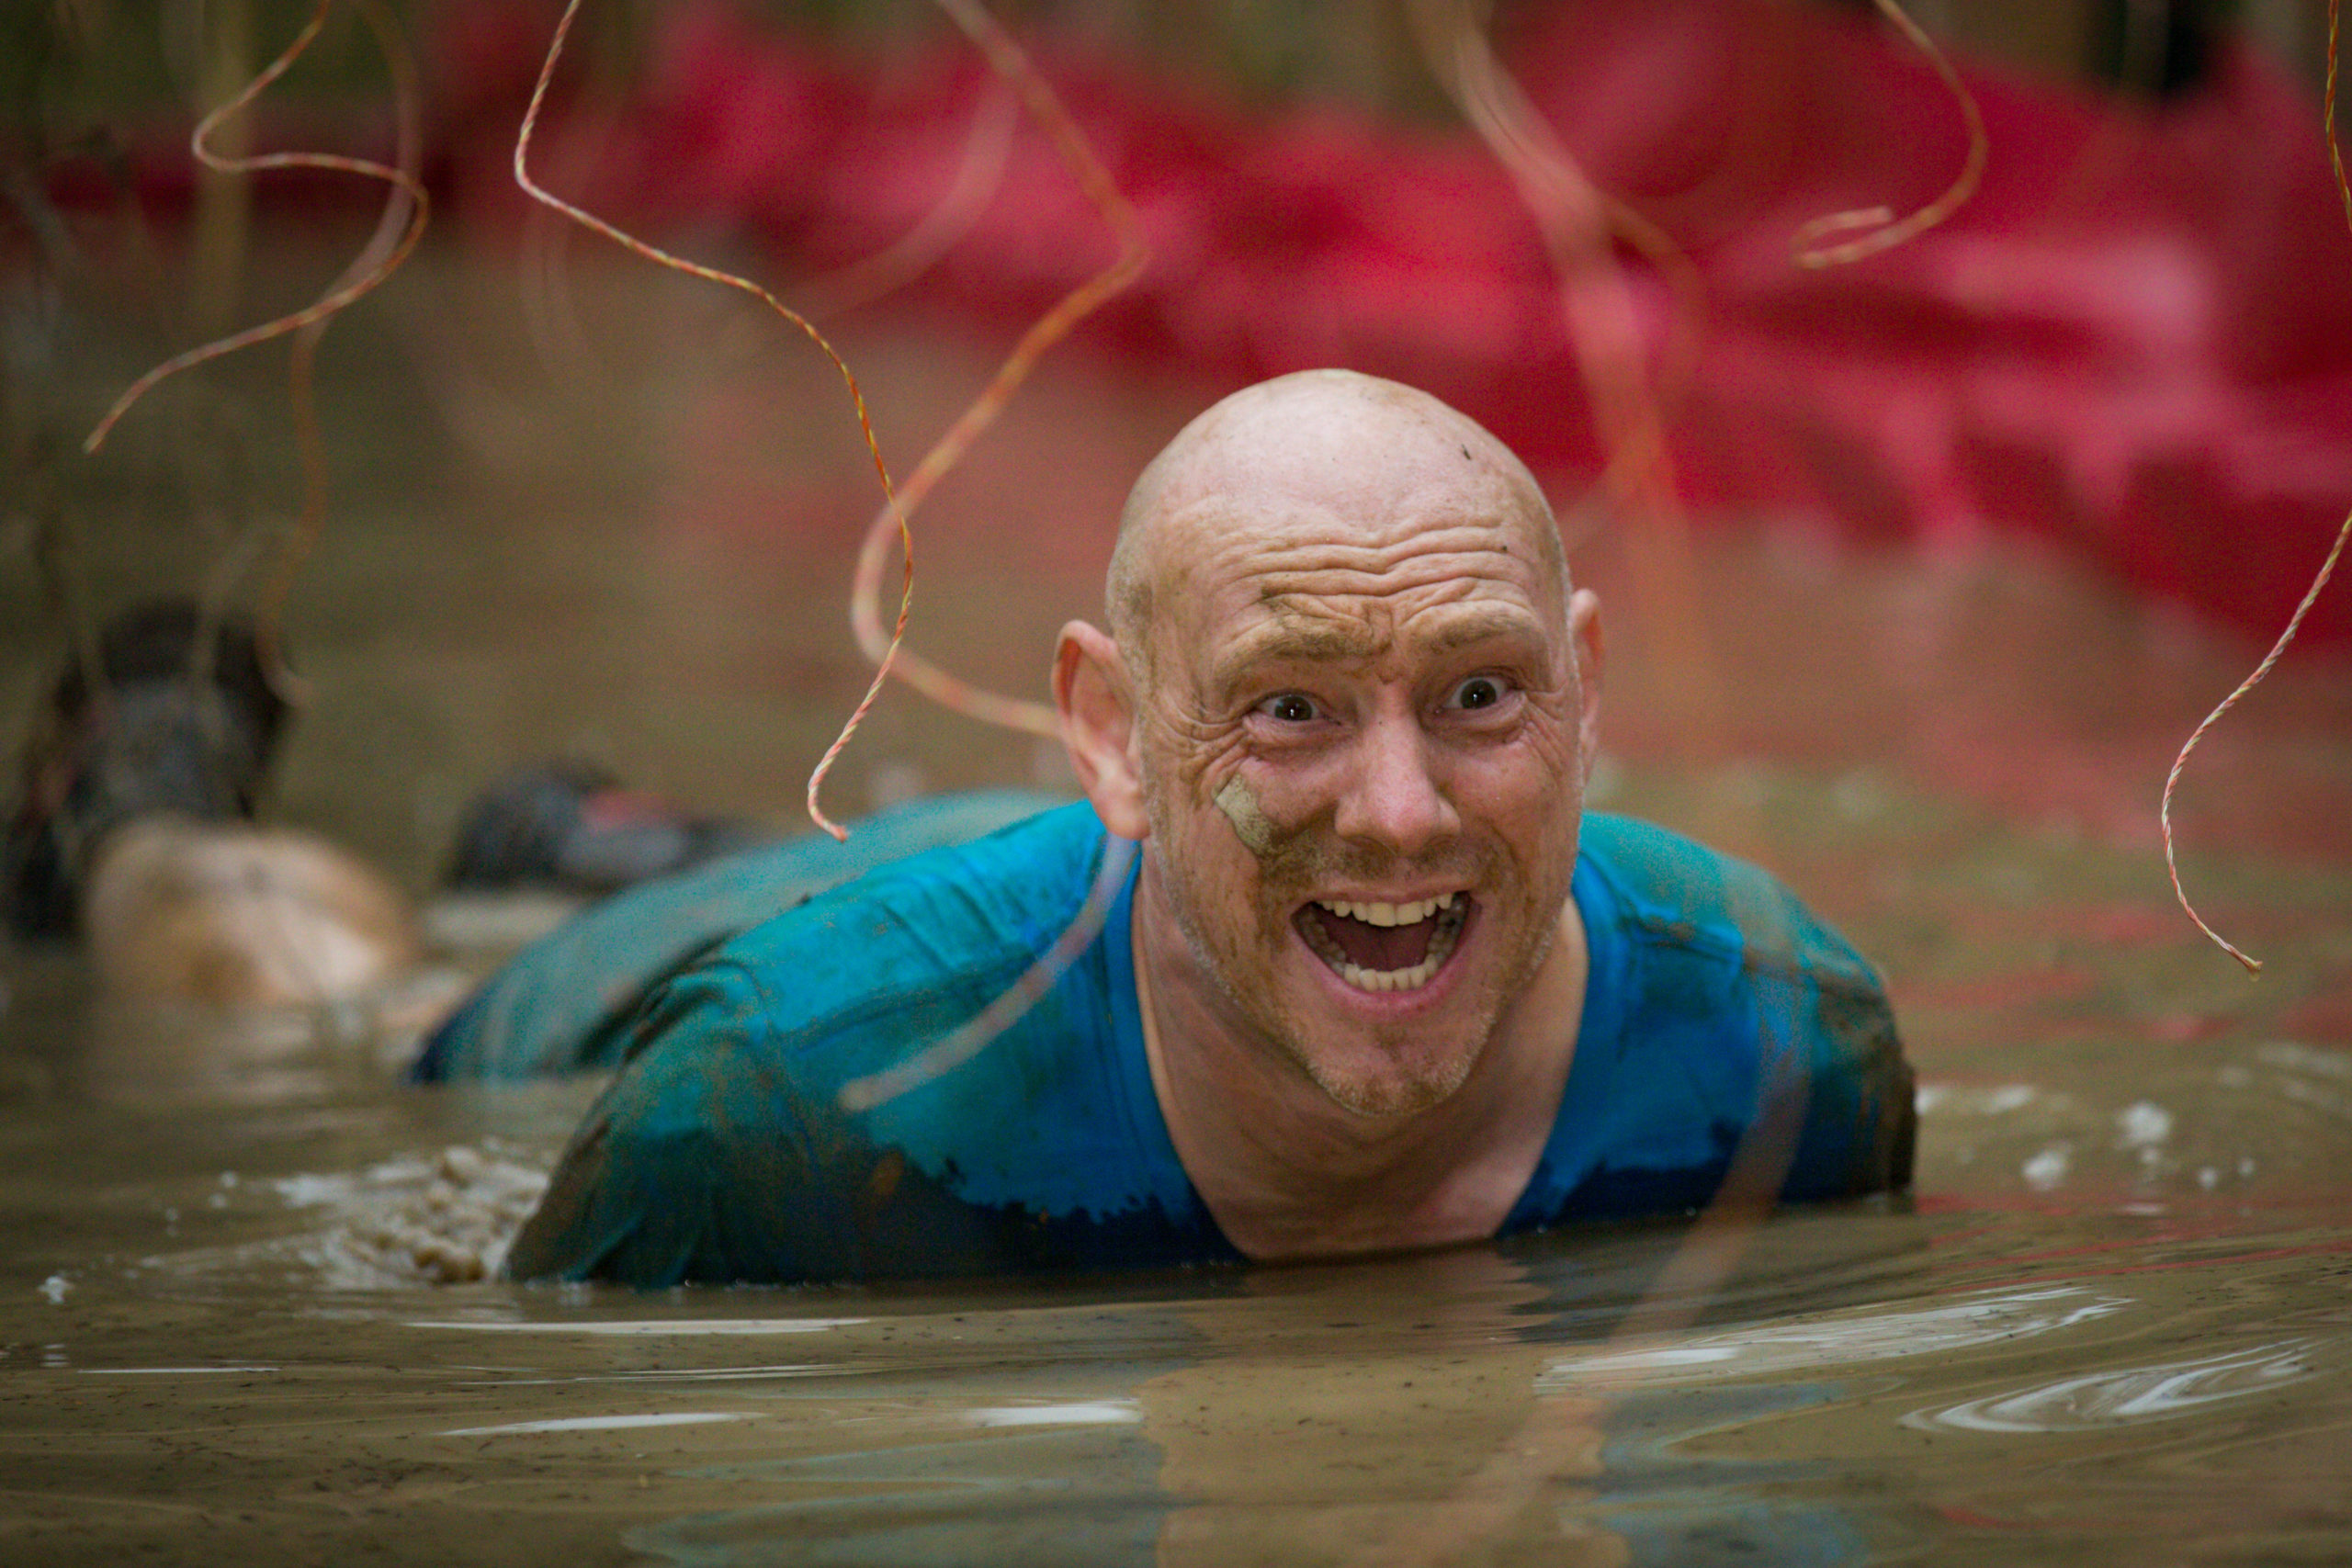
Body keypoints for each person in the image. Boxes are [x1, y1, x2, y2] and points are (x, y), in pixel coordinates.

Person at [420, 368, 1915, 1285]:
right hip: (827, 930)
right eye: (1291, 706)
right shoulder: (780, 1095)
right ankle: (583, 838)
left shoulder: (1790, 1056)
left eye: (1477, 693)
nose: (1402, 816)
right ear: (1112, 737)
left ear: (1585, 699)